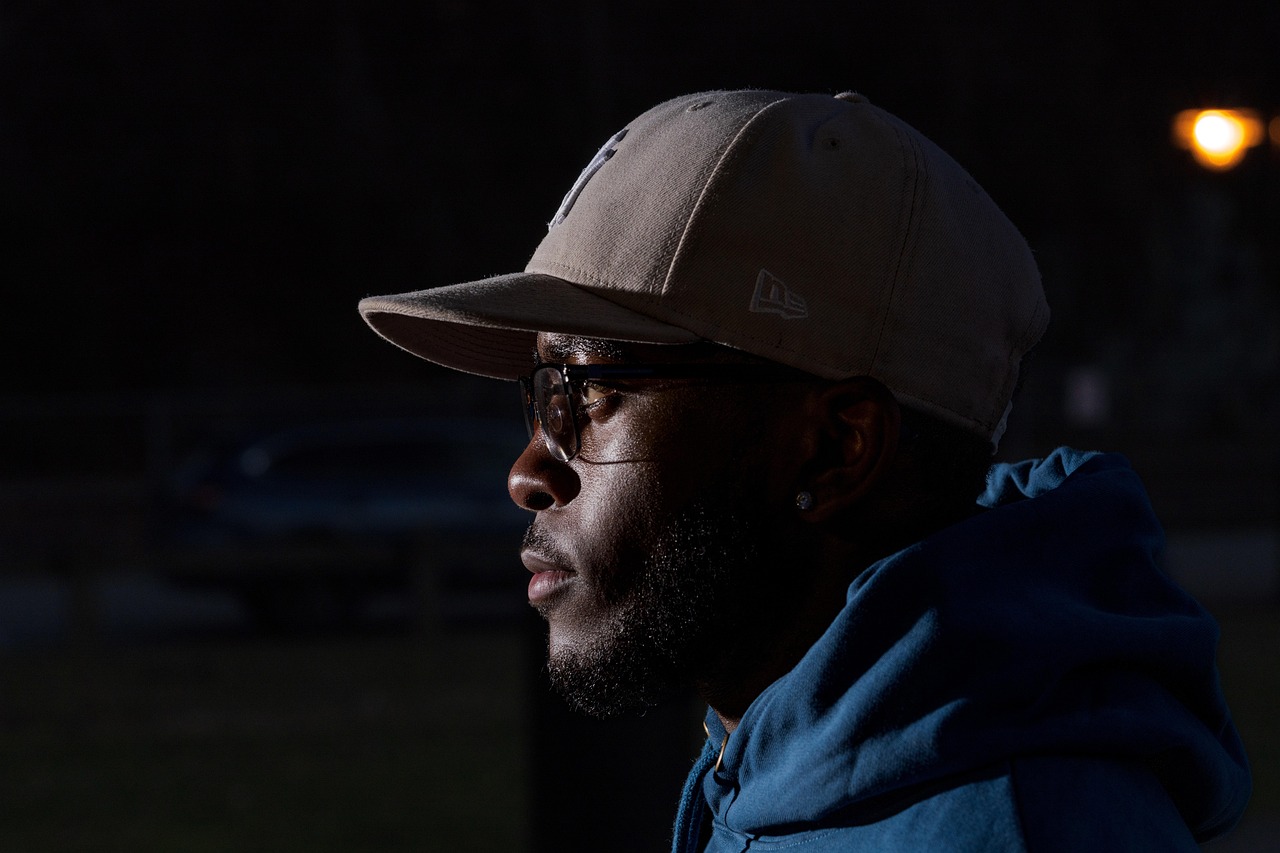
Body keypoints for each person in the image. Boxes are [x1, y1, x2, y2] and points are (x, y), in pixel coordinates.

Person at [358, 89, 1251, 851]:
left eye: (588, 391)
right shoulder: (783, 762)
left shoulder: (999, 825)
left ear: (834, 448)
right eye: (537, 392)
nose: (528, 472)